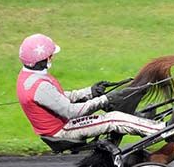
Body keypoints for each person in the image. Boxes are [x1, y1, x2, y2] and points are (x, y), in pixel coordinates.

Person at [16, 33, 164, 142]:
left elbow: (58, 98)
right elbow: (70, 111)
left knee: (110, 111)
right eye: (50, 55)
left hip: (59, 126)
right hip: (63, 131)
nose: (52, 58)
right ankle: (160, 129)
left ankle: (140, 120)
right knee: (113, 119)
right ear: (44, 59)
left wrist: (90, 92)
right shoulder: (40, 87)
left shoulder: (28, 77)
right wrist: (104, 99)